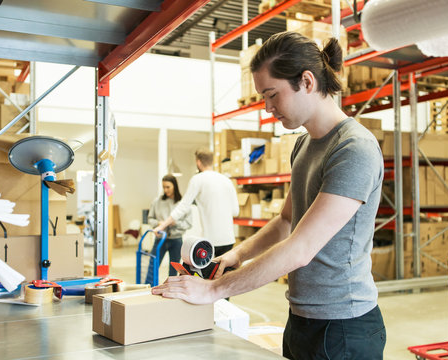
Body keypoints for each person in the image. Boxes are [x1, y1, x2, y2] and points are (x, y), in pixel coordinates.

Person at [153, 31, 386, 359]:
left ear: (306, 81)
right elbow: (286, 220)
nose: (267, 107)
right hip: (301, 319)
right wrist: (237, 255)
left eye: (272, 95)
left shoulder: (353, 149)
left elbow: (301, 247)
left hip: (343, 327)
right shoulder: (304, 145)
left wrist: (214, 291)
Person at [153, 148, 239, 257]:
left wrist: (162, 226)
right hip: (229, 240)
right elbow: (236, 211)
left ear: (198, 162)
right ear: (212, 161)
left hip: (211, 241)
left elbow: (183, 207)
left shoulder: (198, 179)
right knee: (224, 273)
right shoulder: (227, 180)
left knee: (206, 272)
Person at [145, 174, 191, 285]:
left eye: (168, 187)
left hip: (176, 240)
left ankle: (171, 289)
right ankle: (147, 288)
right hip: (160, 239)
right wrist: (159, 223)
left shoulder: (183, 204)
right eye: (164, 187)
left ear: (174, 186)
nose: (165, 190)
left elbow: (188, 224)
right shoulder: (157, 202)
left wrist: (176, 223)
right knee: (153, 265)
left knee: (173, 270)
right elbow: (150, 219)